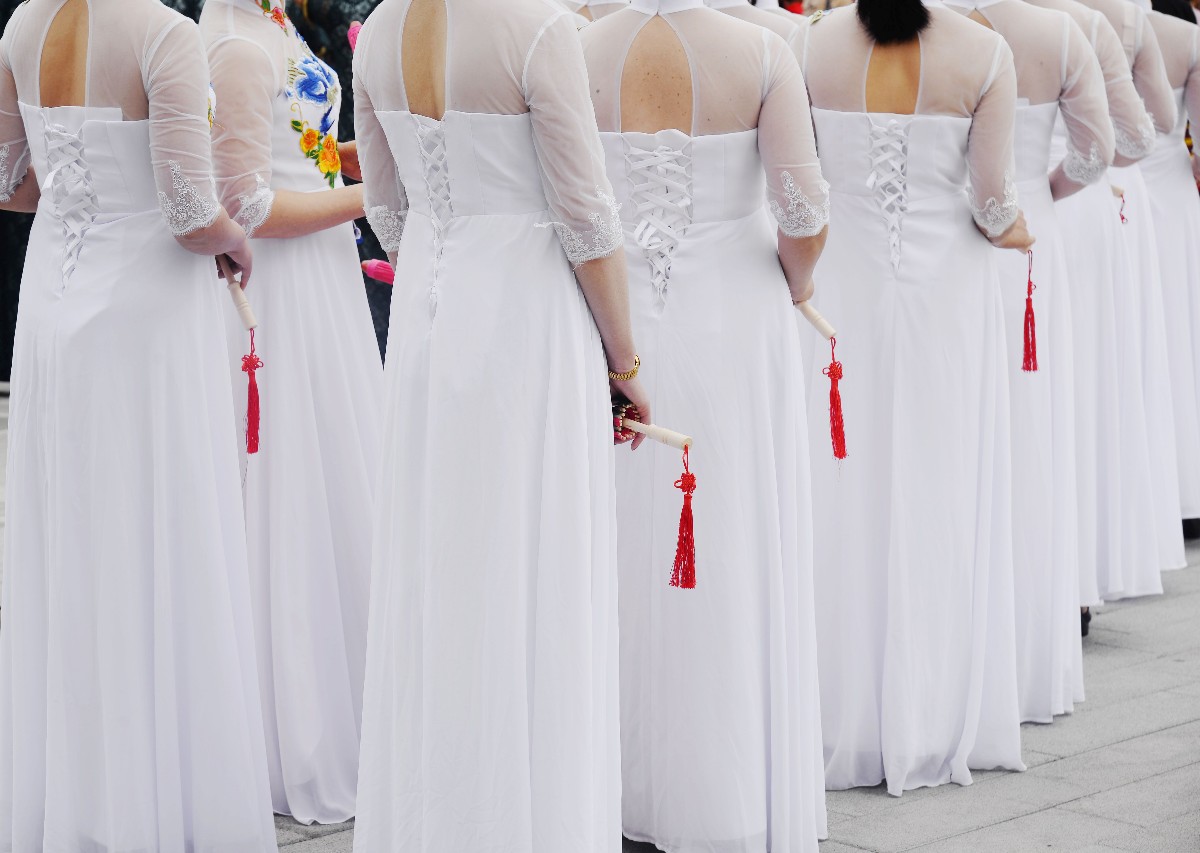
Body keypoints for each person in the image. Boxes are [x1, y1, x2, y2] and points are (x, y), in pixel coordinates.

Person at [351, 0, 649, 849]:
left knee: (437, 561)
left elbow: (387, 207)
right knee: (531, 557)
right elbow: (587, 217)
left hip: (429, 313)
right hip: (525, 311)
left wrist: (442, 254)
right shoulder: (540, 27)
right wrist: (626, 363)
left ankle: (438, 814)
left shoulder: (382, 29)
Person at [0, 0, 276, 848]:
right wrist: (238, 241)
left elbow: (11, 184)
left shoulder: (23, 24)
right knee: (156, 529)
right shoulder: (165, 33)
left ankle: (80, 791)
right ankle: (157, 796)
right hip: (143, 316)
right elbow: (190, 211)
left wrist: (84, 189)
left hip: (53, 302)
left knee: (75, 537)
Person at [582, 0, 829, 848]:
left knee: (618, 543)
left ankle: (618, 786)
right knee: (732, 539)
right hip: (737, 321)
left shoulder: (576, 49)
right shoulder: (765, 51)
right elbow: (803, 214)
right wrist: (798, 283)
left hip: (614, 322)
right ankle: (725, 788)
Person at [799, 0, 1032, 794]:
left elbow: (797, 188)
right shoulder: (984, 54)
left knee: (842, 490)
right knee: (941, 487)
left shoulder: (809, 45)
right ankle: (930, 712)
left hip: (842, 293)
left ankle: (840, 710)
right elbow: (993, 204)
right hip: (946, 302)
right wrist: (1021, 230)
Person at [199, 0, 384, 826]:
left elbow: (290, 144)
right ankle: (296, 728)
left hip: (322, 278)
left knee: (335, 474)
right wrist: (370, 196)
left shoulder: (269, 25)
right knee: (292, 483)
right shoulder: (239, 47)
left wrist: (355, 156)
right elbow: (249, 205)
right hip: (285, 289)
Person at [945, 0, 1114, 723]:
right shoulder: (1061, 32)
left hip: (951, 231)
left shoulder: (938, 23)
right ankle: (1044, 601)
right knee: (1037, 421)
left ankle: (965, 605)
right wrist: (1046, 189)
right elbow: (1098, 150)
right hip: (1029, 233)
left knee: (965, 422)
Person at [1026, 0, 1165, 619]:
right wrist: (1054, 182)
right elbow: (1136, 136)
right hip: (1075, 204)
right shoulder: (1097, 23)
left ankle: (1034, 572)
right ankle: (1081, 573)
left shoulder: (970, 17)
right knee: (1083, 387)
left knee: (1027, 394)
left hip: (996, 211)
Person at [1077, 0, 1186, 577]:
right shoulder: (1125, 19)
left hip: (1051, 190)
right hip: (1119, 181)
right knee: (1132, 343)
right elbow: (1161, 119)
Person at [1142, 3, 1200, 539]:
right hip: (1174, 203)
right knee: (1183, 338)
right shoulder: (1187, 38)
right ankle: (1189, 489)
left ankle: (1146, 494)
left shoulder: (1084, 25)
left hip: (1113, 196)